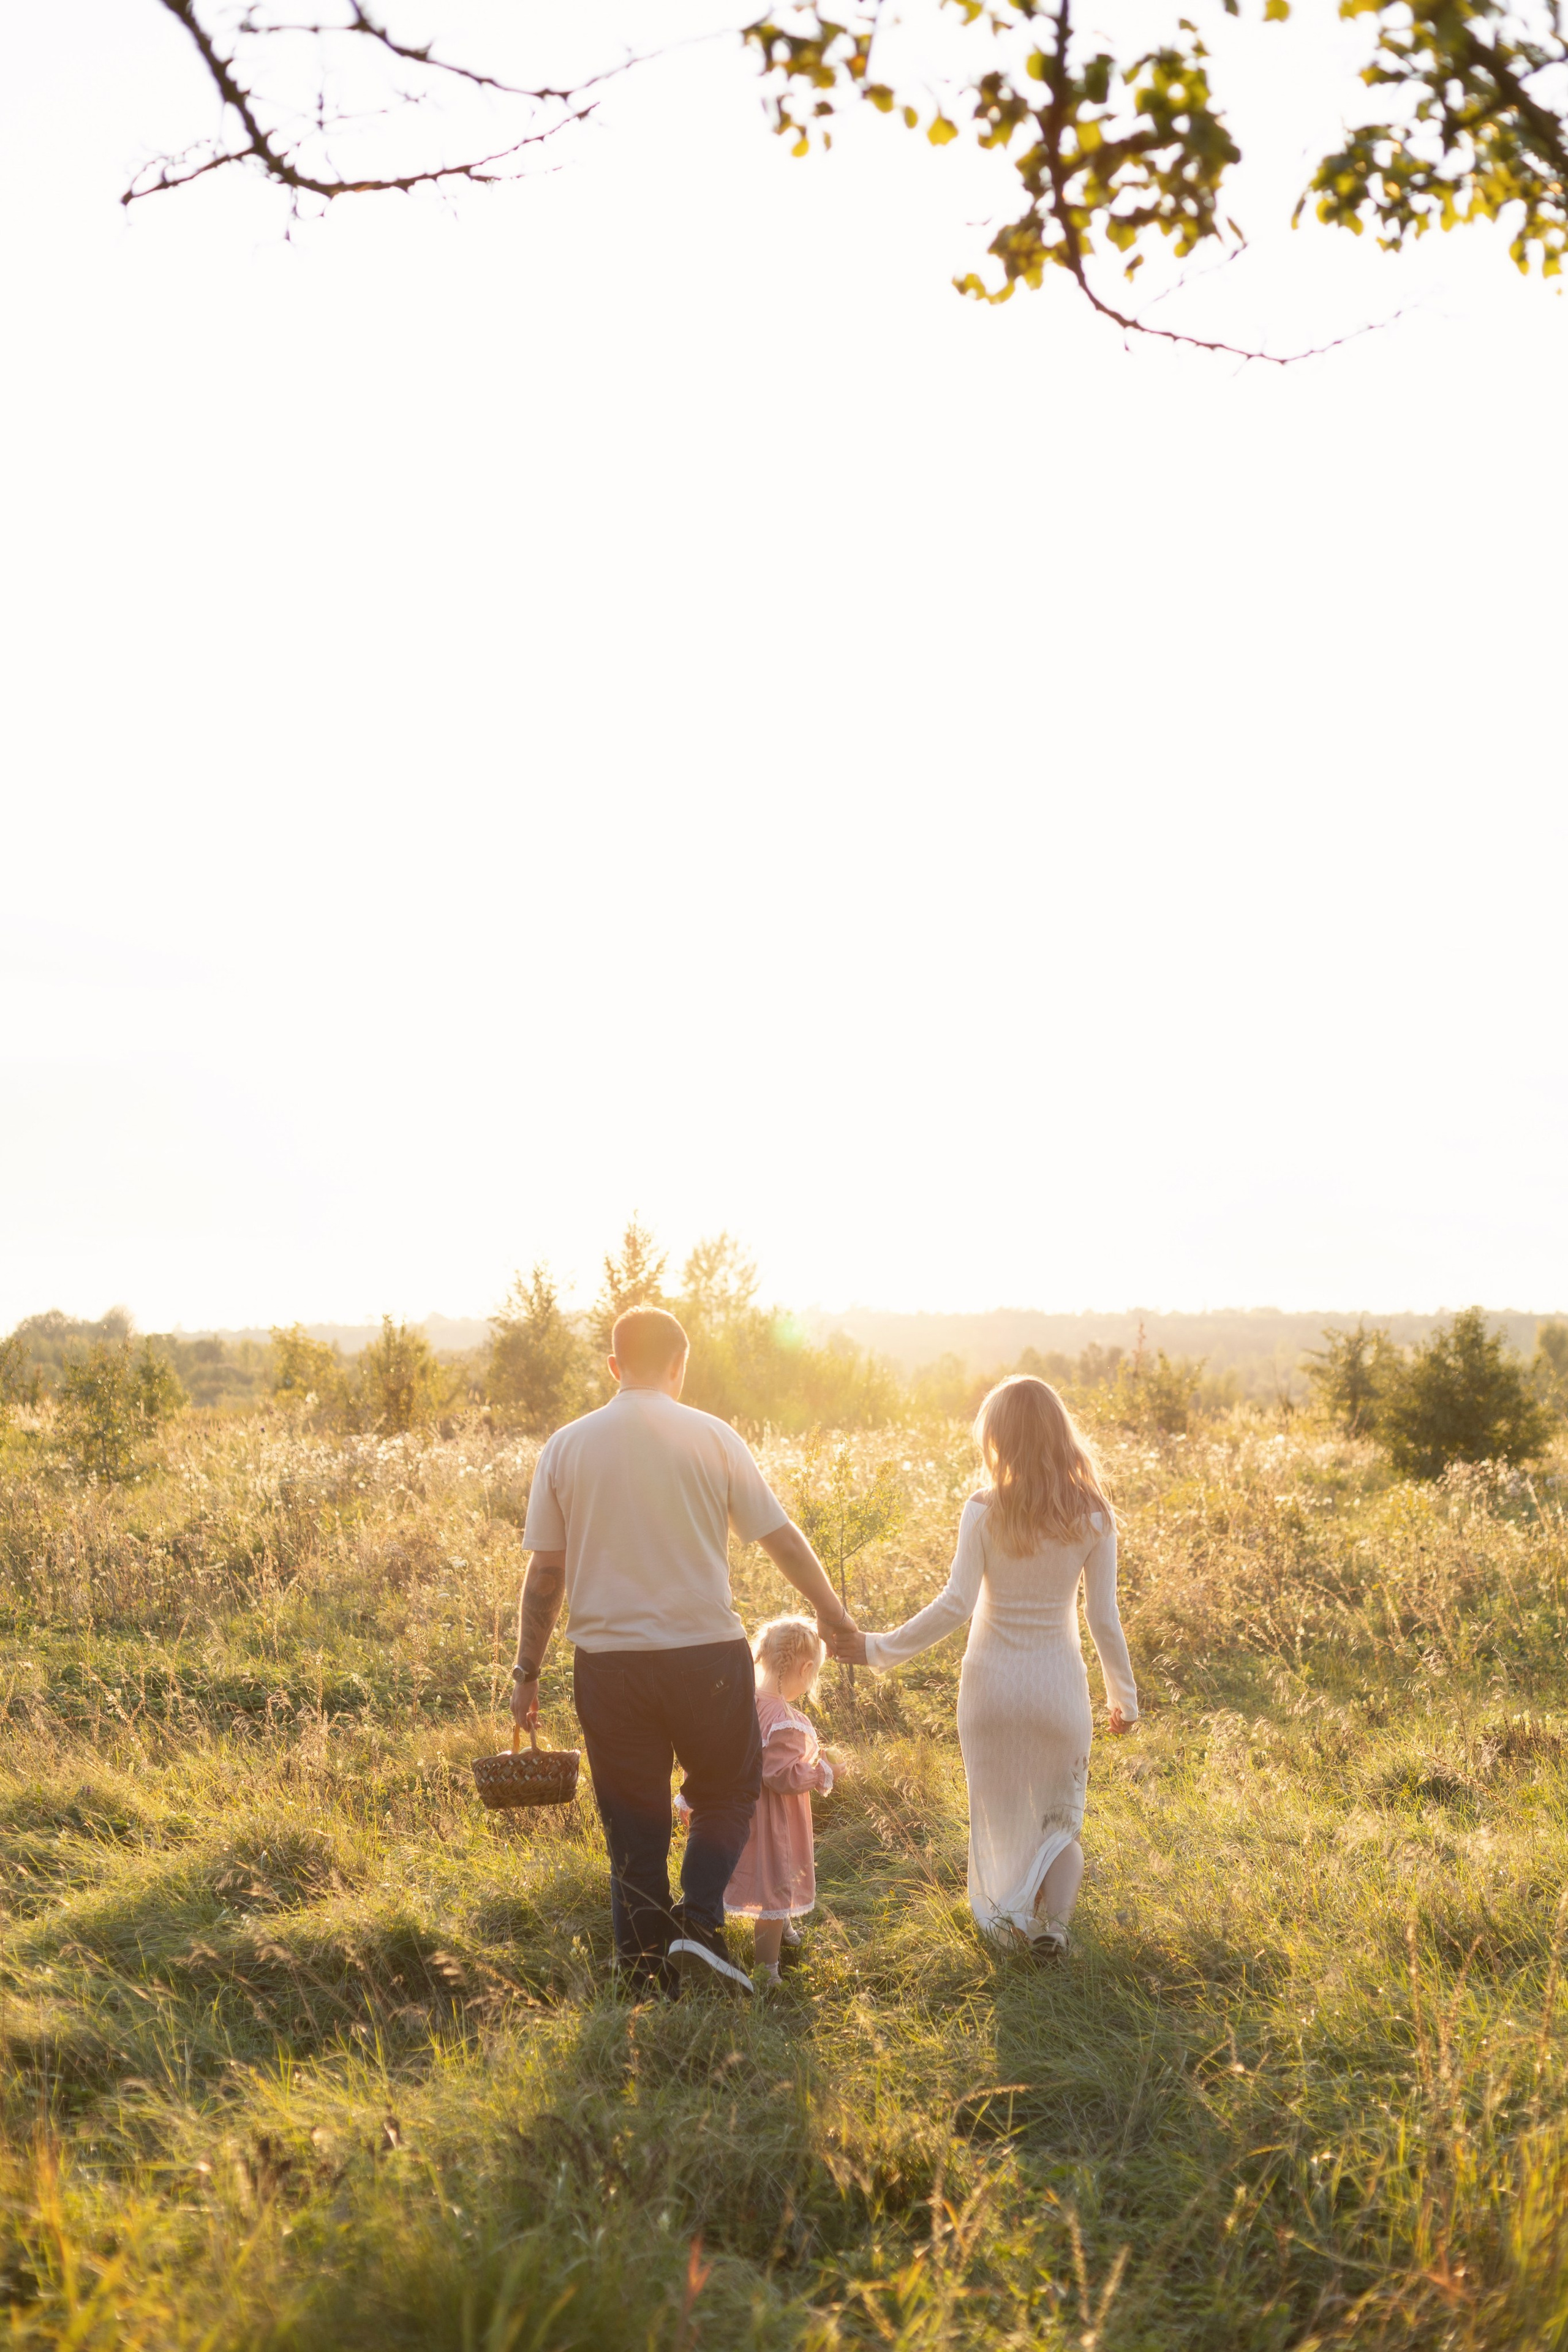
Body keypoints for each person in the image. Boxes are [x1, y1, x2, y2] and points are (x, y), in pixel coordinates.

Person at [510, 1304, 857, 1996]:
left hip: (608, 1664)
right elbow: (780, 1538)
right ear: (680, 1365)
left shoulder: (566, 1446)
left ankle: (645, 1980)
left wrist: (527, 1671)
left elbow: (545, 1573)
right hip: (706, 1657)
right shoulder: (713, 1436)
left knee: (633, 1826)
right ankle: (699, 1926)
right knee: (728, 1790)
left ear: (614, 1366)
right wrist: (832, 1613)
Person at [828, 1375, 1136, 1958]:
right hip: (1056, 1692)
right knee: (1059, 1825)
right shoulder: (1095, 1516)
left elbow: (955, 1605)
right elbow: (1103, 1617)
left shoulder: (983, 1509)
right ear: (1059, 1432)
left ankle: (1009, 1920)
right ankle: (1055, 1928)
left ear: (999, 1438)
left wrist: (877, 1648)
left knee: (999, 1816)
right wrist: (1125, 1698)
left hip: (991, 1692)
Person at [715, 1616, 838, 1983]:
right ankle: (766, 1971)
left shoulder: (739, 1702)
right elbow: (781, 1775)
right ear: (805, 1669)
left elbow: (714, 1753)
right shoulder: (786, 1719)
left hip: (738, 1810)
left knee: (766, 1873)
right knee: (775, 1881)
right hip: (772, 1819)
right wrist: (823, 1771)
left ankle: (783, 1924)